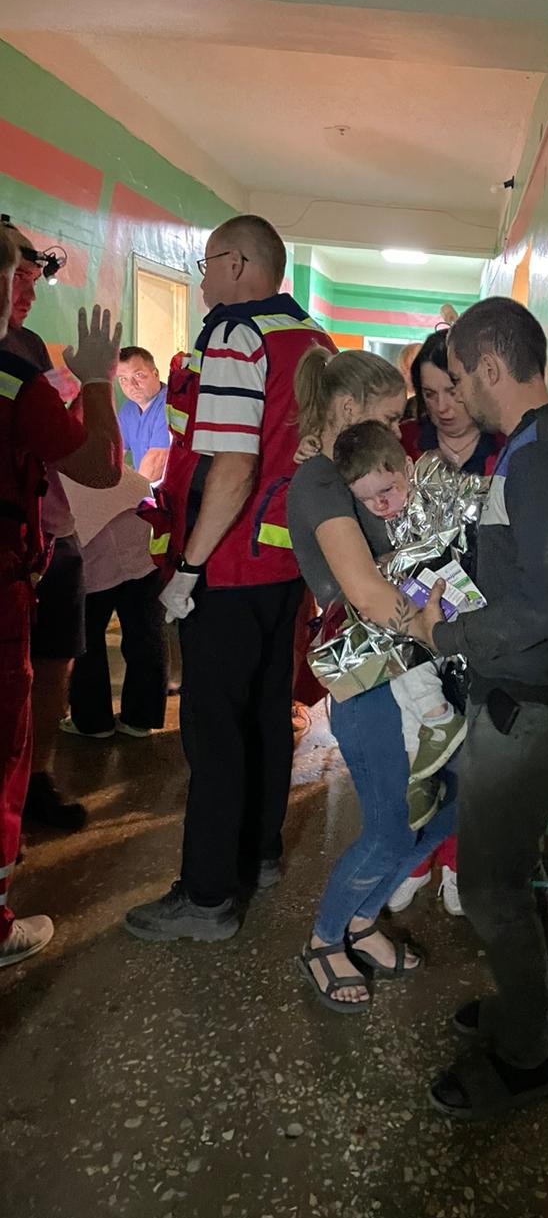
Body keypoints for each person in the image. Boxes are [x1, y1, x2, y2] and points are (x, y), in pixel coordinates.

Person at [406, 297, 548, 1121]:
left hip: (529, 708)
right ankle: (541, 1010)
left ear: (491, 367)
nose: (456, 392)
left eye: (459, 376)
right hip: (525, 697)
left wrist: (446, 632)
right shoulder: (532, 446)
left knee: (490, 887)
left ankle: (523, 1062)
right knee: (514, 872)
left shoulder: (542, 457)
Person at [124, 214, 336, 943]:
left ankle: (208, 896)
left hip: (230, 563)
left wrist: (188, 567)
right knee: (267, 711)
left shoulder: (237, 335)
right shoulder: (311, 337)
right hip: (286, 565)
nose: (203, 276)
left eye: (208, 262)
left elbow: (234, 465)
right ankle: (259, 854)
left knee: (213, 730)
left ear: (239, 263)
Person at [285, 347, 458, 1013]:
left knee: (451, 801)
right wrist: (446, 632)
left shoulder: (349, 470)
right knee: (390, 829)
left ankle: (361, 922)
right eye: (389, 418)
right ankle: (325, 939)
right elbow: (364, 591)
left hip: (408, 663)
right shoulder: (319, 481)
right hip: (369, 676)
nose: (397, 431)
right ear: (348, 407)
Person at [1, 224, 123, 967]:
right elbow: (98, 464)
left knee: (50, 672)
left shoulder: (24, 355)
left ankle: (35, 786)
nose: (25, 283)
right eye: (13, 268)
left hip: (43, 544)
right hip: (12, 564)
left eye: (32, 269)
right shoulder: (14, 365)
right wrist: (99, 380)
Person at [390, 327, 503, 916]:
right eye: (429, 394)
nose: (442, 407)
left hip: (480, 621)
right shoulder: (403, 443)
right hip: (411, 618)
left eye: (451, 391)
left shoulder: (506, 449)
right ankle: (415, 861)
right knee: (416, 752)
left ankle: (456, 864)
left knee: (471, 753)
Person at [331, 420, 467, 828]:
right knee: (400, 685)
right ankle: (419, 770)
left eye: (387, 491)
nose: (379, 504)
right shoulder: (384, 517)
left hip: (448, 618)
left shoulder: (433, 495)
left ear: (407, 467)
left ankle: (439, 718)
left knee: (404, 661)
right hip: (420, 625)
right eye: (366, 499)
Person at [60, 465, 167, 739]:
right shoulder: (98, 449)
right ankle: (141, 718)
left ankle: (92, 722)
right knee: (145, 631)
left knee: (87, 636)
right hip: (139, 525)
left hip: (90, 538)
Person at [116, 346, 170, 483]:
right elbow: (114, 455)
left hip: (171, 490)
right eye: (123, 379)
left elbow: (156, 462)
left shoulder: (170, 404)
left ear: (155, 374)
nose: (131, 385)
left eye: (138, 375)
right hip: (144, 485)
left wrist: (133, 493)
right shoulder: (128, 409)